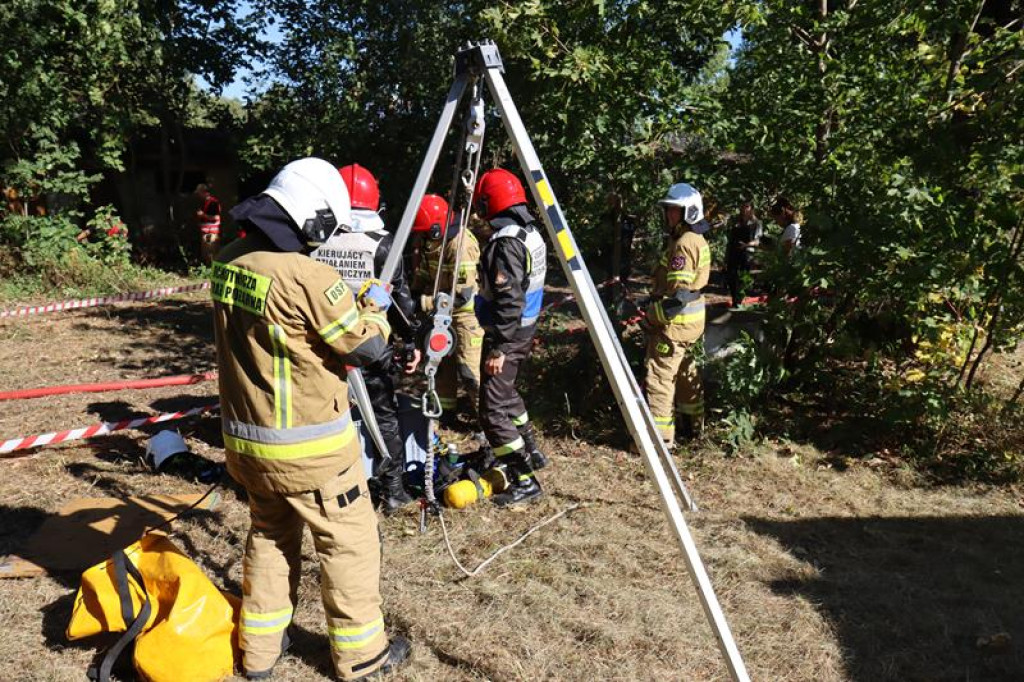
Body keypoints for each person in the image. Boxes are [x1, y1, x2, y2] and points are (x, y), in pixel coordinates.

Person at [212, 157, 410, 680]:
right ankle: (361, 655)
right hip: (312, 452)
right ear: (313, 217)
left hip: (248, 447)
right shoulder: (309, 276)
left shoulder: (228, 259)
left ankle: (257, 654)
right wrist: (375, 305)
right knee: (349, 546)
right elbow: (365, 347)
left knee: (270, 538)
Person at [312, 163, 419, 515]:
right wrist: (411, 341)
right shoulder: (382, 245)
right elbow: (401, 303)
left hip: (321, 347)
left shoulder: (314, 241)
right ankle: (393, 490)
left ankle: (325, 489)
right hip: (368, 345)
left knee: (323, 418)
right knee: (383, 416)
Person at [474, 168, 549, 506]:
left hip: (508, 334)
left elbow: (509, 299)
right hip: (524, 330)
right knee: (506, 393)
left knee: (491, 409)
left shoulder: (506, 243)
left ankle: (523, 477)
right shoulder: (529, 233)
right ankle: (531, 449)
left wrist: (498, 347)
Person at [644, 182, 711, 446]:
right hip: (691, 327)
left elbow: (680, 296)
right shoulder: (692, 239)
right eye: (668, 210)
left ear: (690, 212)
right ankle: (692, 428)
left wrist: (653, 317)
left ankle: (660, 440)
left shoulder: (684, 244)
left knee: (660, 378)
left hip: (674, 327)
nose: (669, 215)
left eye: (674, 210)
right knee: (686, 376)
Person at [409, 194, 485, 432]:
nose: (421, 237)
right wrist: (410, 294)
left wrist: (422, 303)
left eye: (424, 232)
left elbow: (463, 295)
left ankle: (487, 424)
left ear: (435, 228)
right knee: (441, 364)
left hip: (465, 316)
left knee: (469, 370)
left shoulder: (460, 245)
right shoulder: (430, 241)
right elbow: (424, 273)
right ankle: (446, 413)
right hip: (440, 314)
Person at [725, 200, 763, 307]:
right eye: (742, 206)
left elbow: (758, 240)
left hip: (747, 253)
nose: (744, 209)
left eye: (747, 206)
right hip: (734, 252)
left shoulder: (756, 223)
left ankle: (739, 299)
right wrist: (726, 257)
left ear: (751, 208)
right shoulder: (736, 221)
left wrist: (747, 245)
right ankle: (734, 299)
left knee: (744, 278)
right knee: (731, 276)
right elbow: (730, 240)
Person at [195, 183, 222, 264]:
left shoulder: (213, 202)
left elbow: (216, 217)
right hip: (206, 231)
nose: (198, 195)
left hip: (211, 232)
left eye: (199, 193)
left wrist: (202, 215)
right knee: (206, 253)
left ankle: (211, 271)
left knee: (211, 252)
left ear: (204, 192)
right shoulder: (205, 202)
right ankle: (208, 270)